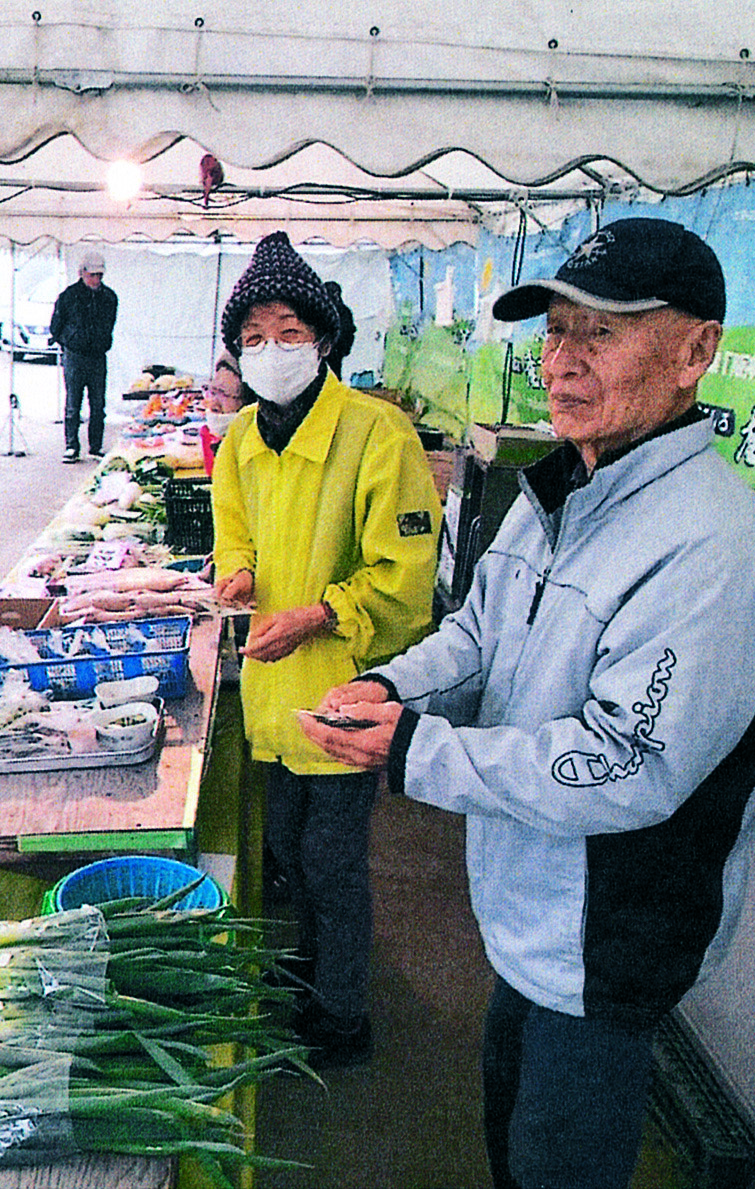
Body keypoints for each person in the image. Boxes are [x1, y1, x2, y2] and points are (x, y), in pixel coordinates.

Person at [297, 218, 755, 1189]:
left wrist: (413, 751)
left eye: (602, 335)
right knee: (512, 1145)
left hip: (607, 943)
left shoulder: (712, 554)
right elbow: (481, 633)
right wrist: (391, 684)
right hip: (531, 919)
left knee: (555, 1164)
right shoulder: (563, 494)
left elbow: (623, 767)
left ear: (695, 351)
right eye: (555, 333)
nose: (563, 364)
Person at [209, 230, 442, 1067]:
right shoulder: (238, 438)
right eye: (253, 338)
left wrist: (319, 612)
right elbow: (230, 532)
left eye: (288, 331)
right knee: (285, 854)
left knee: (332, 862)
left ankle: (343, 1018)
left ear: (324, 337)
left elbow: (406, 576)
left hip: (344, 690)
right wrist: (235, 576)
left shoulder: (377, 435)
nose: (270, 351)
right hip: (269, 691)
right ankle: (311, 974)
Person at [49, 250, 118, 462]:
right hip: (75, 356)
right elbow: (55, 326)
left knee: (98, 404)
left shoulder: (109, 297)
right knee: (73, 402)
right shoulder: (68, 296)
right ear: (82, 273)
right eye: (92, 275)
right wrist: (69, 341)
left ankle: (95, 446)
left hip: (97, 356)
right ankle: (71, 446)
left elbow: (110, 325)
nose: (96, 279)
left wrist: (101, 342)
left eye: (99, 275)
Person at [321, 279, 357, 378]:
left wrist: (345, 348)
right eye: (331, 292)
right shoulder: (320, 310)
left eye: (336, 293)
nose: (334, 296)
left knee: (334, 373)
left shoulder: (344, 312)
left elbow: (350, 331)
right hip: (322, 351)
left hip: (337, 350)